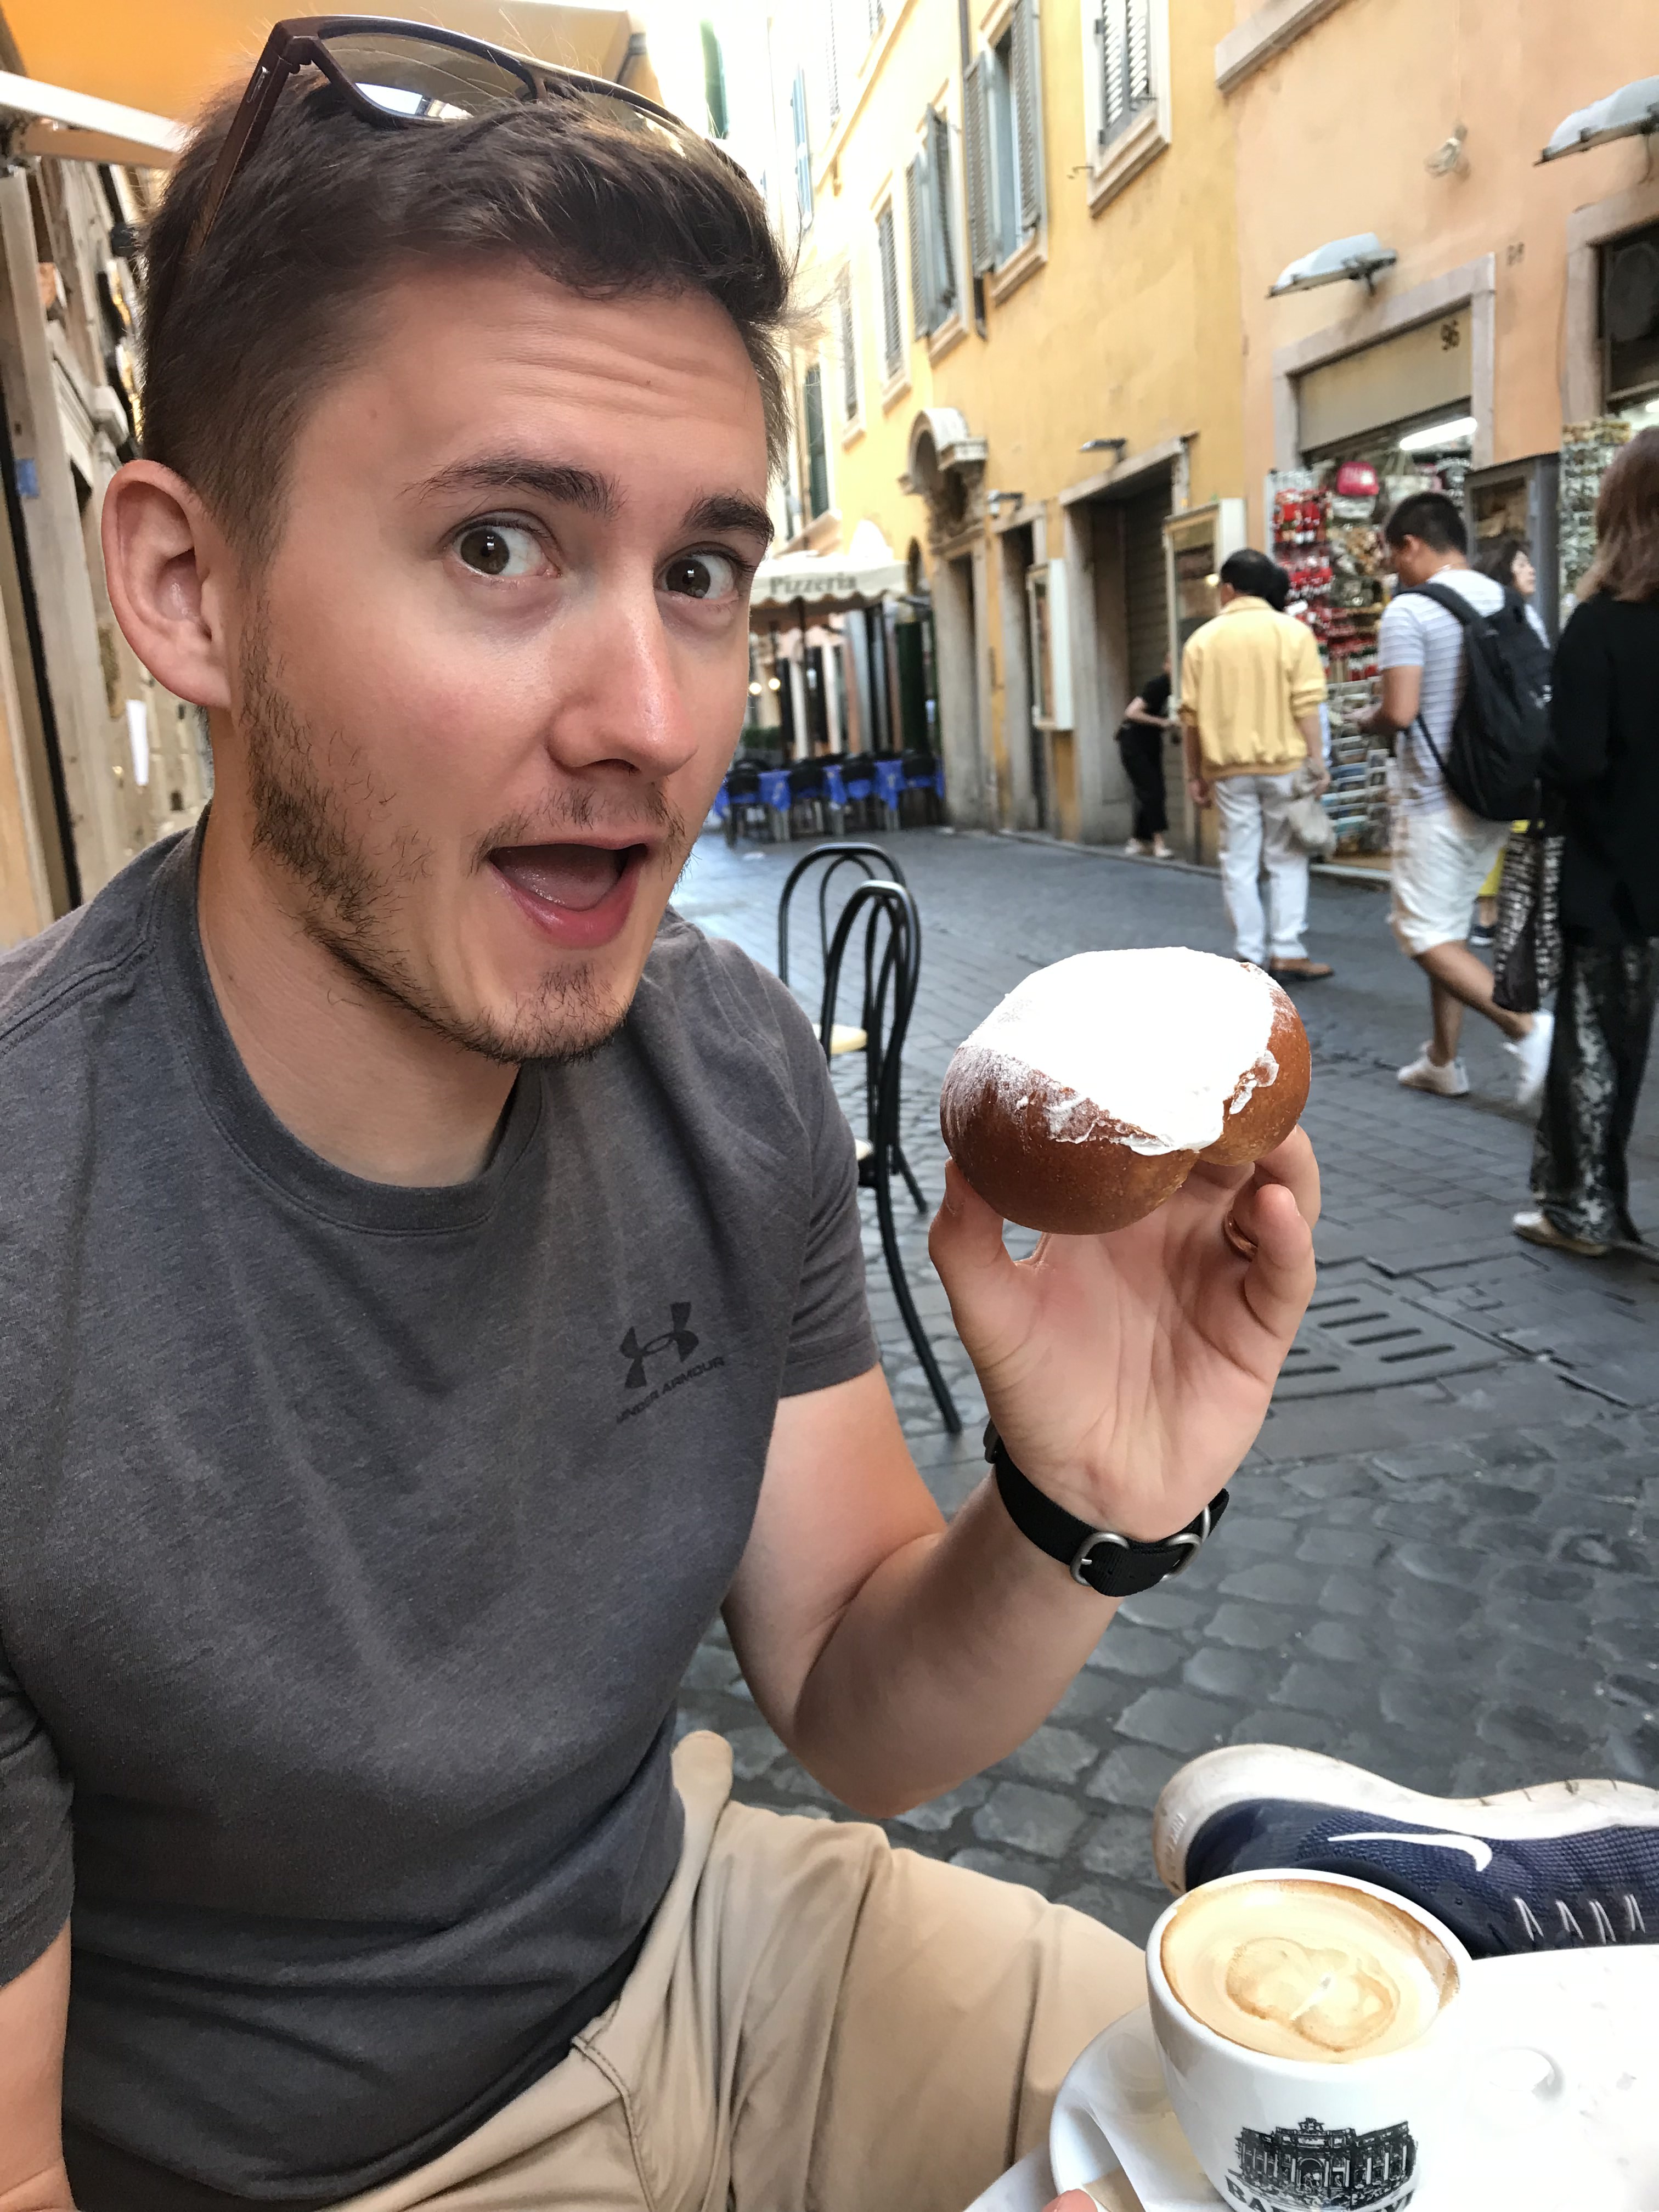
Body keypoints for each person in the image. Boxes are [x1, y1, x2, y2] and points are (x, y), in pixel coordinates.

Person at [0, 27, 1323, 2212]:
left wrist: (1080, 1505)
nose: (647, 719)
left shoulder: (724, 1066)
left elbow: (852, 1698)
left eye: (701, 572)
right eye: (500, 543)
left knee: (1280, 2147)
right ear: (186, 589)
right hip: (325, 2169)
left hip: (704, 1949)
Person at [1358, 493, 1553, 1104]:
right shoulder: (1511, 604)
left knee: (1421, 935)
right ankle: (1442, 1061)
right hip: (1498, 793)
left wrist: (1365, 719)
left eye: (1394, 555)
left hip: (1435, 800)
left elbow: (1400, 712)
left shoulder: (1410, 612)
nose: (1395, 568)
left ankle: (1530, 1029)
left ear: (1411, 544)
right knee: (1447, 928)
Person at [1516, 427, 1659, 1256]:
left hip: (1617, 873)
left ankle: (1581, 1211)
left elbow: (1576, 759)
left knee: (1599, 1047)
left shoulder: (1599, 626)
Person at [1180, 548, 1334, 981]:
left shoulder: (1202, 641)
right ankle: (1288, 951)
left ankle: (1249, 954)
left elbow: (1190, 717)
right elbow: (1307, 705)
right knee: (1287, 857)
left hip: (1228, 770)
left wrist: (1194, 774)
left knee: (1239, 862)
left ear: (1228, 589)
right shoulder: (1292, 633)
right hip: (1284, 765)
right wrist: (1318, 762)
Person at [1469, 535, 1542, 947]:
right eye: (1522, 564)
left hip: (1496, 737)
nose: (1531, 570)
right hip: (1516, 738)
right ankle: (1497, 913)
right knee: (1515, 827)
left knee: (1498, 829)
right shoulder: (1520, 619)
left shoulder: (1492, 617)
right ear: (1504, 572)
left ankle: (1489, 915)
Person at [1116, 651, 1173, 858]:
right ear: (1166, 665)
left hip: (1149, 743)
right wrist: (1162, 723)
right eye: (1173, 663)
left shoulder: (1178, 688)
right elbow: (1132, 712)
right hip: (1134, 743)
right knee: (1152, 790)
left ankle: (1138, 840)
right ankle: (1159, 844)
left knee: (1152, 791)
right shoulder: (1159, 685)